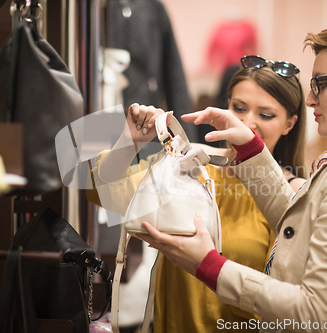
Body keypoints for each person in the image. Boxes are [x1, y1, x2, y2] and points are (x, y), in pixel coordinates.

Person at [137, 16, 327, 331]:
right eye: (240, 107)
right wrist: (249, 147)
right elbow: (298, 225)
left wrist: (209, 266)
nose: (312, 98)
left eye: (321, 83)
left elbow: (314, 311)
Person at [87, 56, 307, 332]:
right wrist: (128, 141)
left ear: (289, 124)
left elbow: (290, 302)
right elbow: (102, 192)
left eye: (266, 115)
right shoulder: (191, 163)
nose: (247, 123)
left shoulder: (291, 196)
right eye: (238, 108)